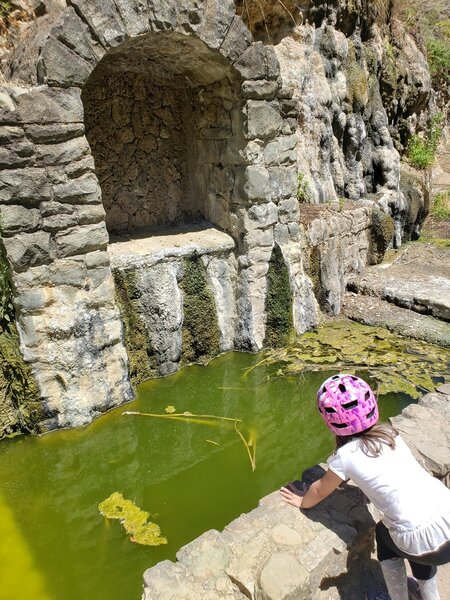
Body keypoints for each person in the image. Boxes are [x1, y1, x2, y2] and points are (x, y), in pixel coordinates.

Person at [280, 373, 450, 600]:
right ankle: (430, 596)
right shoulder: (390, 434)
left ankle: (397, 596)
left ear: (329, 420)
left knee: (384, 535)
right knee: (421, 543)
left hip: (420, 541)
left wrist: (303, 501)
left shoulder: (346, 456)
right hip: (445, 516)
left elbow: (320, 489)